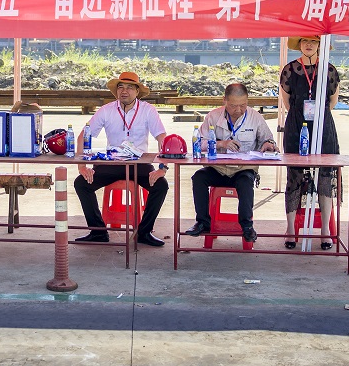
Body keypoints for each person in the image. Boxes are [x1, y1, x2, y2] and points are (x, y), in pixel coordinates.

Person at [74, 71, 168, 247]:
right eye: (121, 87)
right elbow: (83, 136)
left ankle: (144, 232)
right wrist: (82, 166)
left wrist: (162, 168)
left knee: (161, 185)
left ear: (137, 91)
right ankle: (98, 232)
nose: (124, 91)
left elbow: (162, 138)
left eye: (130, 87)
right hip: (111, 162)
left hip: (139, 163)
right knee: (81, 183)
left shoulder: (148, 110)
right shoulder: (107, 110)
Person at [184, 83, 277, 243]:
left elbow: (268, 140)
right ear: (224, 101)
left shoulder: (255, 117)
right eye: (234, 106)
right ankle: (203, 222)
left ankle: (247, 226)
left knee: (245, 182)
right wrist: (221, 143)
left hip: (243, 169)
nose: (238, 110)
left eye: (243, 105)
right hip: (218, 169)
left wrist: (269, 145)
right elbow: (198, 143)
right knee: (198, 177)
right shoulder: (213, 117)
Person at [280, 35, 340, 250]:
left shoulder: (329, 69)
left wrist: (317, 116)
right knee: (294, 176)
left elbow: (332, 101)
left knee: (325, 177)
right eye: (305, 41)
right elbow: (287, 101)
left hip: (323, 127)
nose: (308, 45)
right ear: (299, 45)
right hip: (296, 126)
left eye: (313, 42)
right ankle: (290, 229)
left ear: (320, 45)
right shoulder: (289, 69)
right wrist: (302, 116)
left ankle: (325, 231)